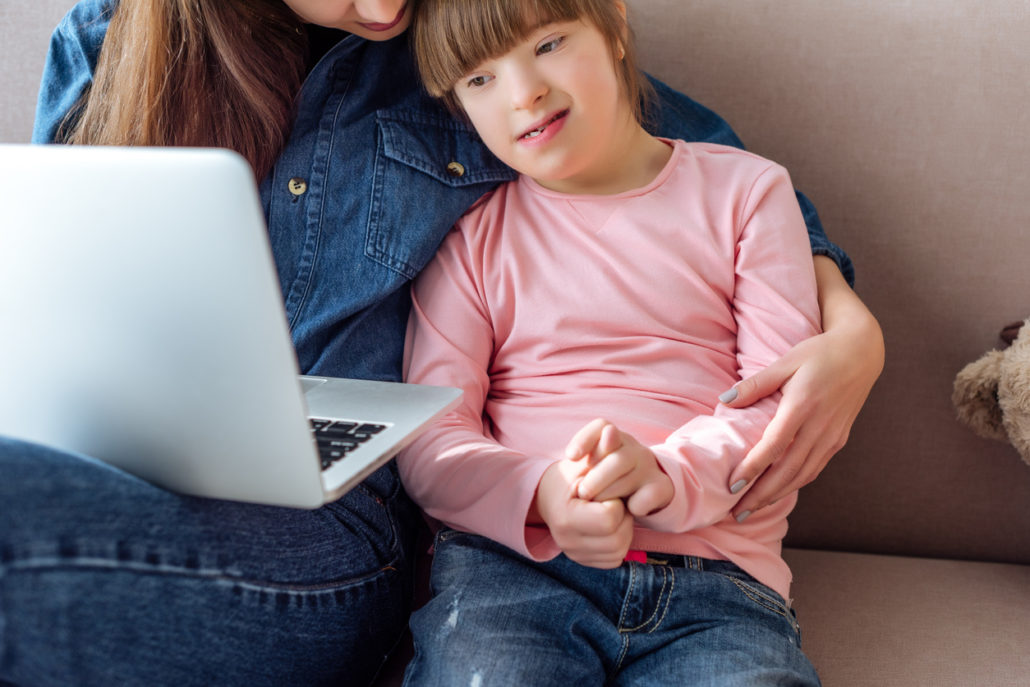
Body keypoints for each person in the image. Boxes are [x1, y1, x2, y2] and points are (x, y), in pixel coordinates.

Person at [1, 0, 881, 684]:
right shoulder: (108, 41)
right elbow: (55, 299)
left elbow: (658, 146)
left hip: (329, 524)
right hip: (122, 477)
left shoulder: (457, 36)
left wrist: (848, 321)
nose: (389, 4)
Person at [396, 0, 835, 682]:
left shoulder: (747, 192)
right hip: (510, 576)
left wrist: (664, 473)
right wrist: (542, 494)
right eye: (479, 79)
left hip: (718, 587)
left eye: (548, 44)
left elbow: (780, 402)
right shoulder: (469, 241)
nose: (523, 92)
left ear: (616, 29)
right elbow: (430, 436)